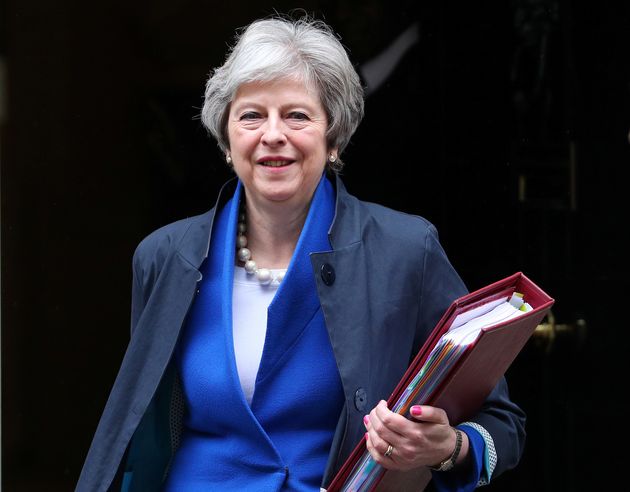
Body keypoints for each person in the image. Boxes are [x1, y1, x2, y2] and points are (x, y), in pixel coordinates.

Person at [77, 16, 525, 492]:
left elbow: (503, 425)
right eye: (251, 115)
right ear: (227, 141)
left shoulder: (405, 250)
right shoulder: (163, 256)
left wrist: (449, 448)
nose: (273, 134)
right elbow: (144, 422)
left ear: (333, 138)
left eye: (297, 115)